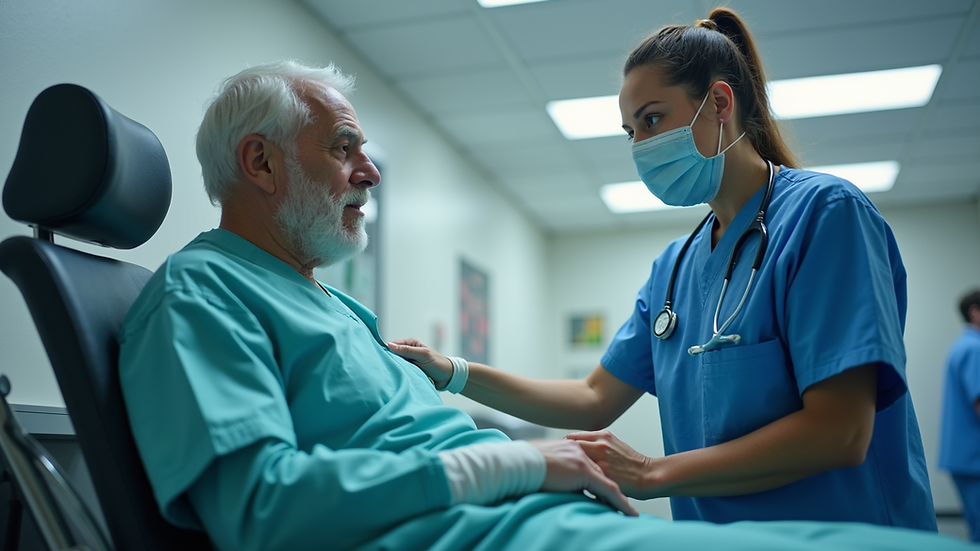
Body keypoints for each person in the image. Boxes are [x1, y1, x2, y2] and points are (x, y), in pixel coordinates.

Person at [116, 61, 967, 551]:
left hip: (548, 512)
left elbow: (580, 406)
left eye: (651, 119)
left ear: (721, 101)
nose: (371, 173)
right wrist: (522, 461)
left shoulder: (330, 306)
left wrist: (482, 408)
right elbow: (263, 508)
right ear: (259, 165)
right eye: (345, 149)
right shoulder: (202, 295)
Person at [391, 7, 936, 531]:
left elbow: (840, 431)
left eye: (653, 119)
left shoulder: (825, 216)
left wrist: (651, 473)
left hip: (848, 534)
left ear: (720, 103)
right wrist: (451, 371)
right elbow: (592, 399)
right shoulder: (674, 270)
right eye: (631, 132)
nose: (642, 146)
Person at [939, 289, 980, 542]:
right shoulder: (975, 349)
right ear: (975, 312)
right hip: (975, 460)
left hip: (966, 458)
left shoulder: (962, 346)